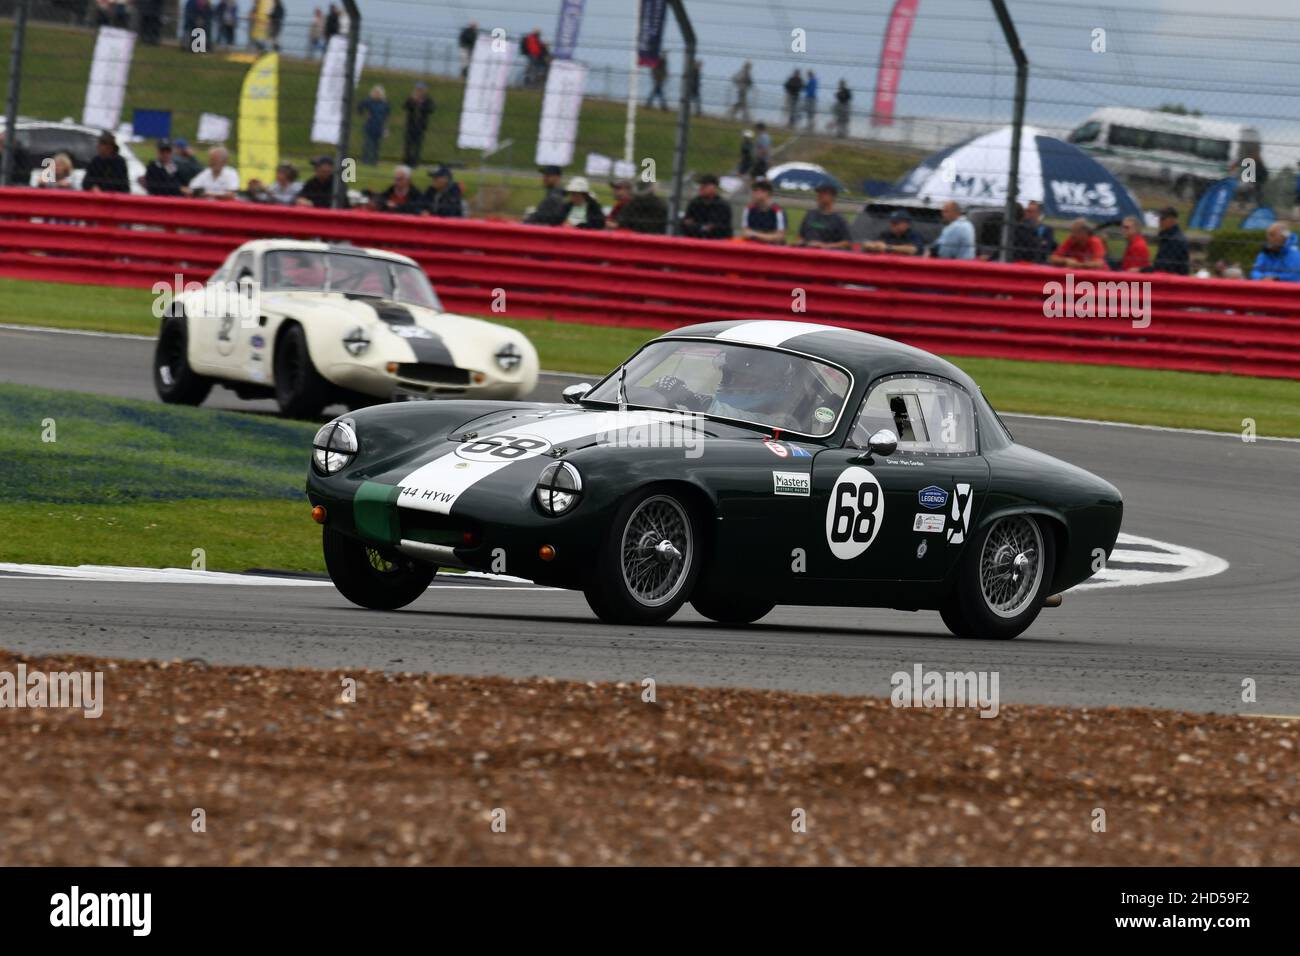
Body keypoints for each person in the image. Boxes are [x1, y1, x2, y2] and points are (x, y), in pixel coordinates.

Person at [798, 183, 852, 249]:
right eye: (818, 194)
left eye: (823, 194)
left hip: (827, 255)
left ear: (832, 197)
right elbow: (801, 235)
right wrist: (801, 242)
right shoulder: (810, 214)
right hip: (806, 252)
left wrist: (825, 246)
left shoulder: (839, 219)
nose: (819, 196)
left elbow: (847, 242)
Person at [682, 174, 733, 239]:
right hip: (695, 239)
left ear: (714, 188)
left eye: (705, 185)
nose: (701, 187)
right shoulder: (695, 203)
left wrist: (698, 226)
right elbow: (686, 223)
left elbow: (722, 228)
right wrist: (704, 227)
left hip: (717, 242)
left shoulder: (722, 205)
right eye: (701, 185)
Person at [740, 179, 786, 244]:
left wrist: (755, 234)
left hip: (772, 248)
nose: (755, 193)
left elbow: (779, 237)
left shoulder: (777, 211)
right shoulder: (749, 209)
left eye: (758, 190)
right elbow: (745, 233)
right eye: (754, 190)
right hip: (752, 246)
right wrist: (768, 236)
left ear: (767, 193)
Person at [1150, 207, 1190, 275]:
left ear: (1172, 220)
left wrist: (1144, 270)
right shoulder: (1166, 236)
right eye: (1159, 219)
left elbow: (1164, 266)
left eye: (1162, 219)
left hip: (1173, 281)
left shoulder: (1175, 240)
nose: (1159, 221)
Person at [402, 83, 434, 167]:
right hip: (410, 126)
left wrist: (422, 104)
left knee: (418, 146)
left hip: (420, 126)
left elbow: (431, 109)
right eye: (418, 89)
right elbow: (405, 106)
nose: (419, 91)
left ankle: (415, 163)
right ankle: (406, 162)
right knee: (408, 145)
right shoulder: (411, 98)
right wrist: (412, 100)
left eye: (421, 90)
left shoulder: (427, 99)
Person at [358, 85, 390, 166]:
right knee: (368, 144)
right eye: (375, 92)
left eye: (378, 93)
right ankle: (365, 160)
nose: (376, 94)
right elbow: (359, 106)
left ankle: (374, 162)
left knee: (376, 146)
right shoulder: (369, 101)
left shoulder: (384, 104)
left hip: (379, 127)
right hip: (369, 126)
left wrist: (385, 128)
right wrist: (364, 114)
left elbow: (386, 117)